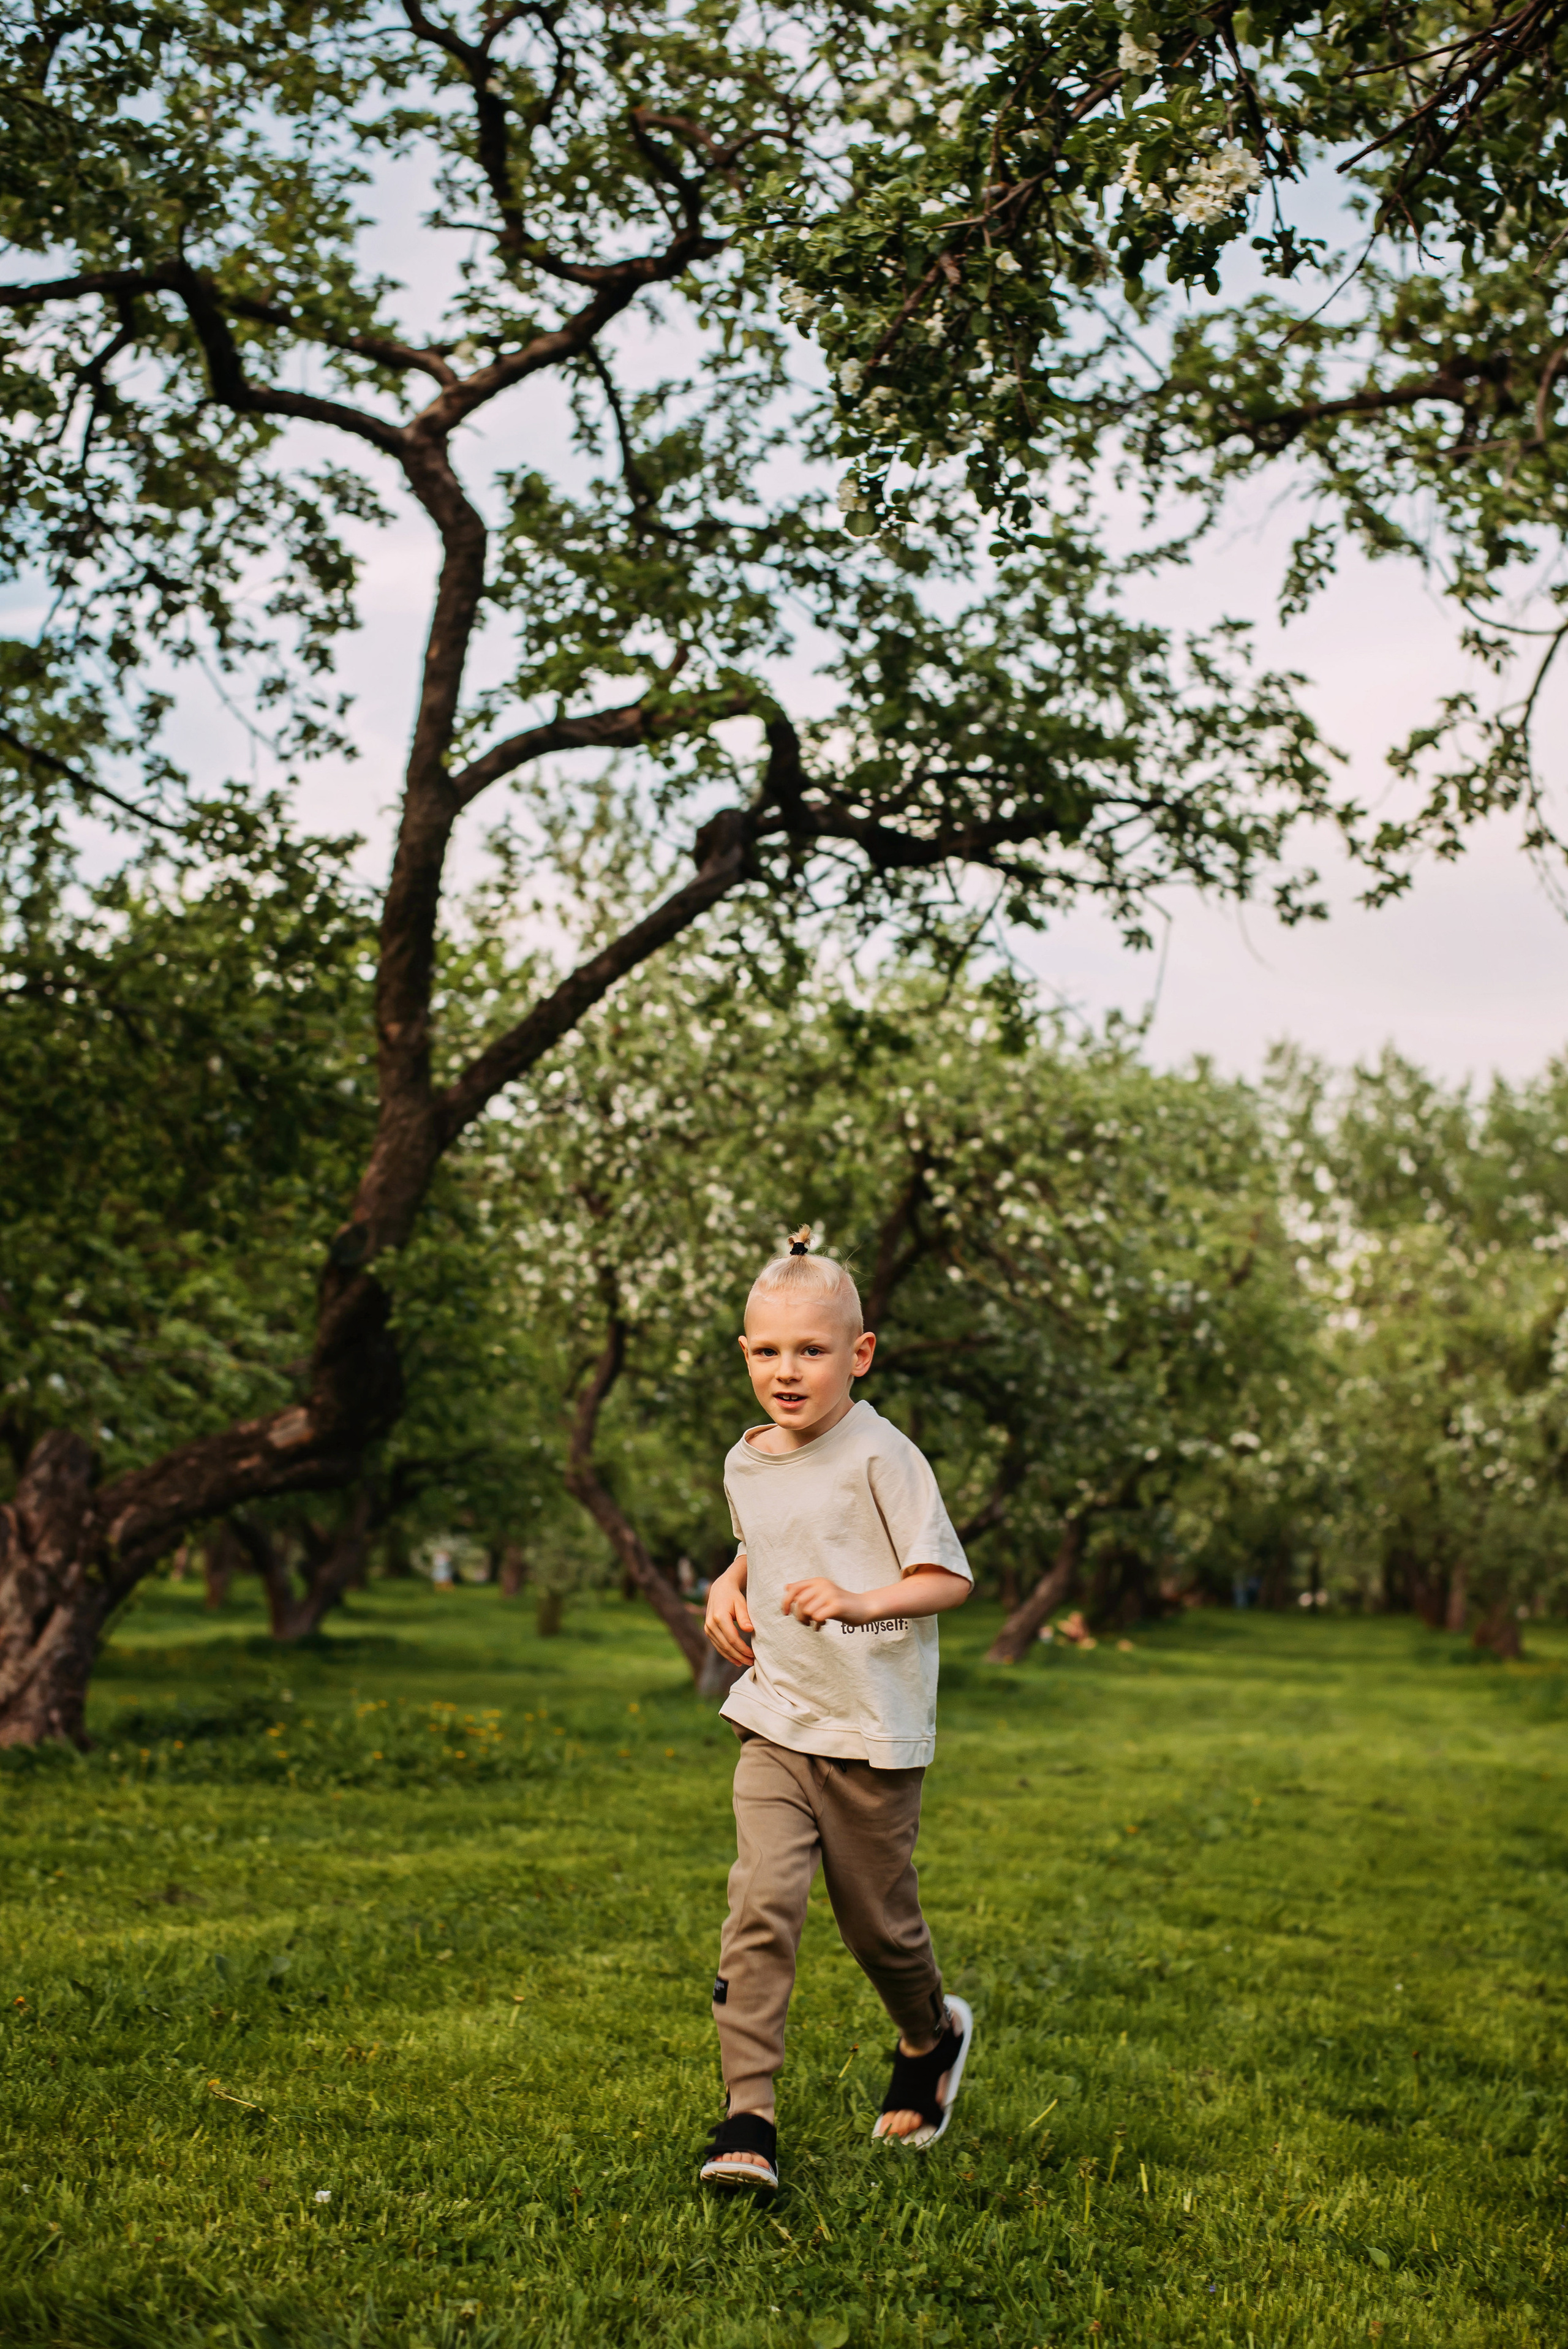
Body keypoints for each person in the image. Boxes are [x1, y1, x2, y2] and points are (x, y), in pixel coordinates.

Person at [699, 1227, 975, 2193]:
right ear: (745, 1354)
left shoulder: (883, 1455)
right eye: (768, 1352)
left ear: (858, 1355)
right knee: (761, 1905)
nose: (787, 1371)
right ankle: (748, 2119)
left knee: (879, 1930)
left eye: (811, 1351)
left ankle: (929, 2034)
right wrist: (727, 1583)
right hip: (777, 1717)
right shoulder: (747, 1459)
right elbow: (763, 1535)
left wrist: (860, 1601)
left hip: (871, 1731)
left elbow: (946, 1578)